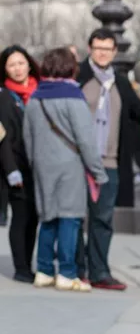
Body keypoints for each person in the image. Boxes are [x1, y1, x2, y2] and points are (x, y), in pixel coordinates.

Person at [75, 28, 140, 291]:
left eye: (107, 49)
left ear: (114, 51)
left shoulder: (120, 81)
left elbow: (138, 105)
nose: (102, 53)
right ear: (90, 49)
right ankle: (78, 271)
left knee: (102, 219)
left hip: (109, 162)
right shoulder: (78, 75)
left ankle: (99, 271)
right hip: (77, 162)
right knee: (76, 218)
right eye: (97, 48)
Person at [23, 47, 109, 292]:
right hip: (69, 165)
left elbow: (28, 137)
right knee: (70, 219)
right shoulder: (73, 96)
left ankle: (43, 270)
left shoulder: (35, 97)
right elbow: (86, 140)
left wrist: (35, 163)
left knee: (48, 217)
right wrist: (98, 172)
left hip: (41, 164)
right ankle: (67, 272)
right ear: (70, 68)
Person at [0, 45, 41, 283]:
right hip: (14, 164)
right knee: (21, 215)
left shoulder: (39, 90)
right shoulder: (3, 96)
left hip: (39, 163)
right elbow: (2, 136)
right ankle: (21, 268)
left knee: (34, 217)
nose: (17, 69)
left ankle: (29, 262)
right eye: (11, 65)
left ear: (29, 64)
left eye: (21, 63)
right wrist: (10, 168)